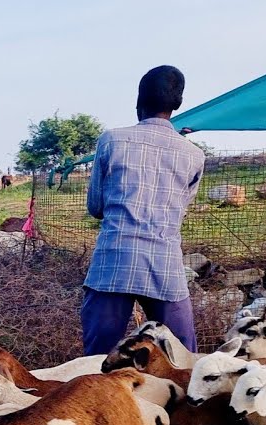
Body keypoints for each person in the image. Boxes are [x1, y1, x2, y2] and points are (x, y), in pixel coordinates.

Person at [81, 65, 205, 356]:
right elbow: (181, 210)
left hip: (114, 262)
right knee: (181, 357)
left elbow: (96, 207)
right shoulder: (194, 155)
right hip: (165, 265)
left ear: (139, 101)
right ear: (178, 103)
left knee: (98, 360)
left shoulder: (112, 140)